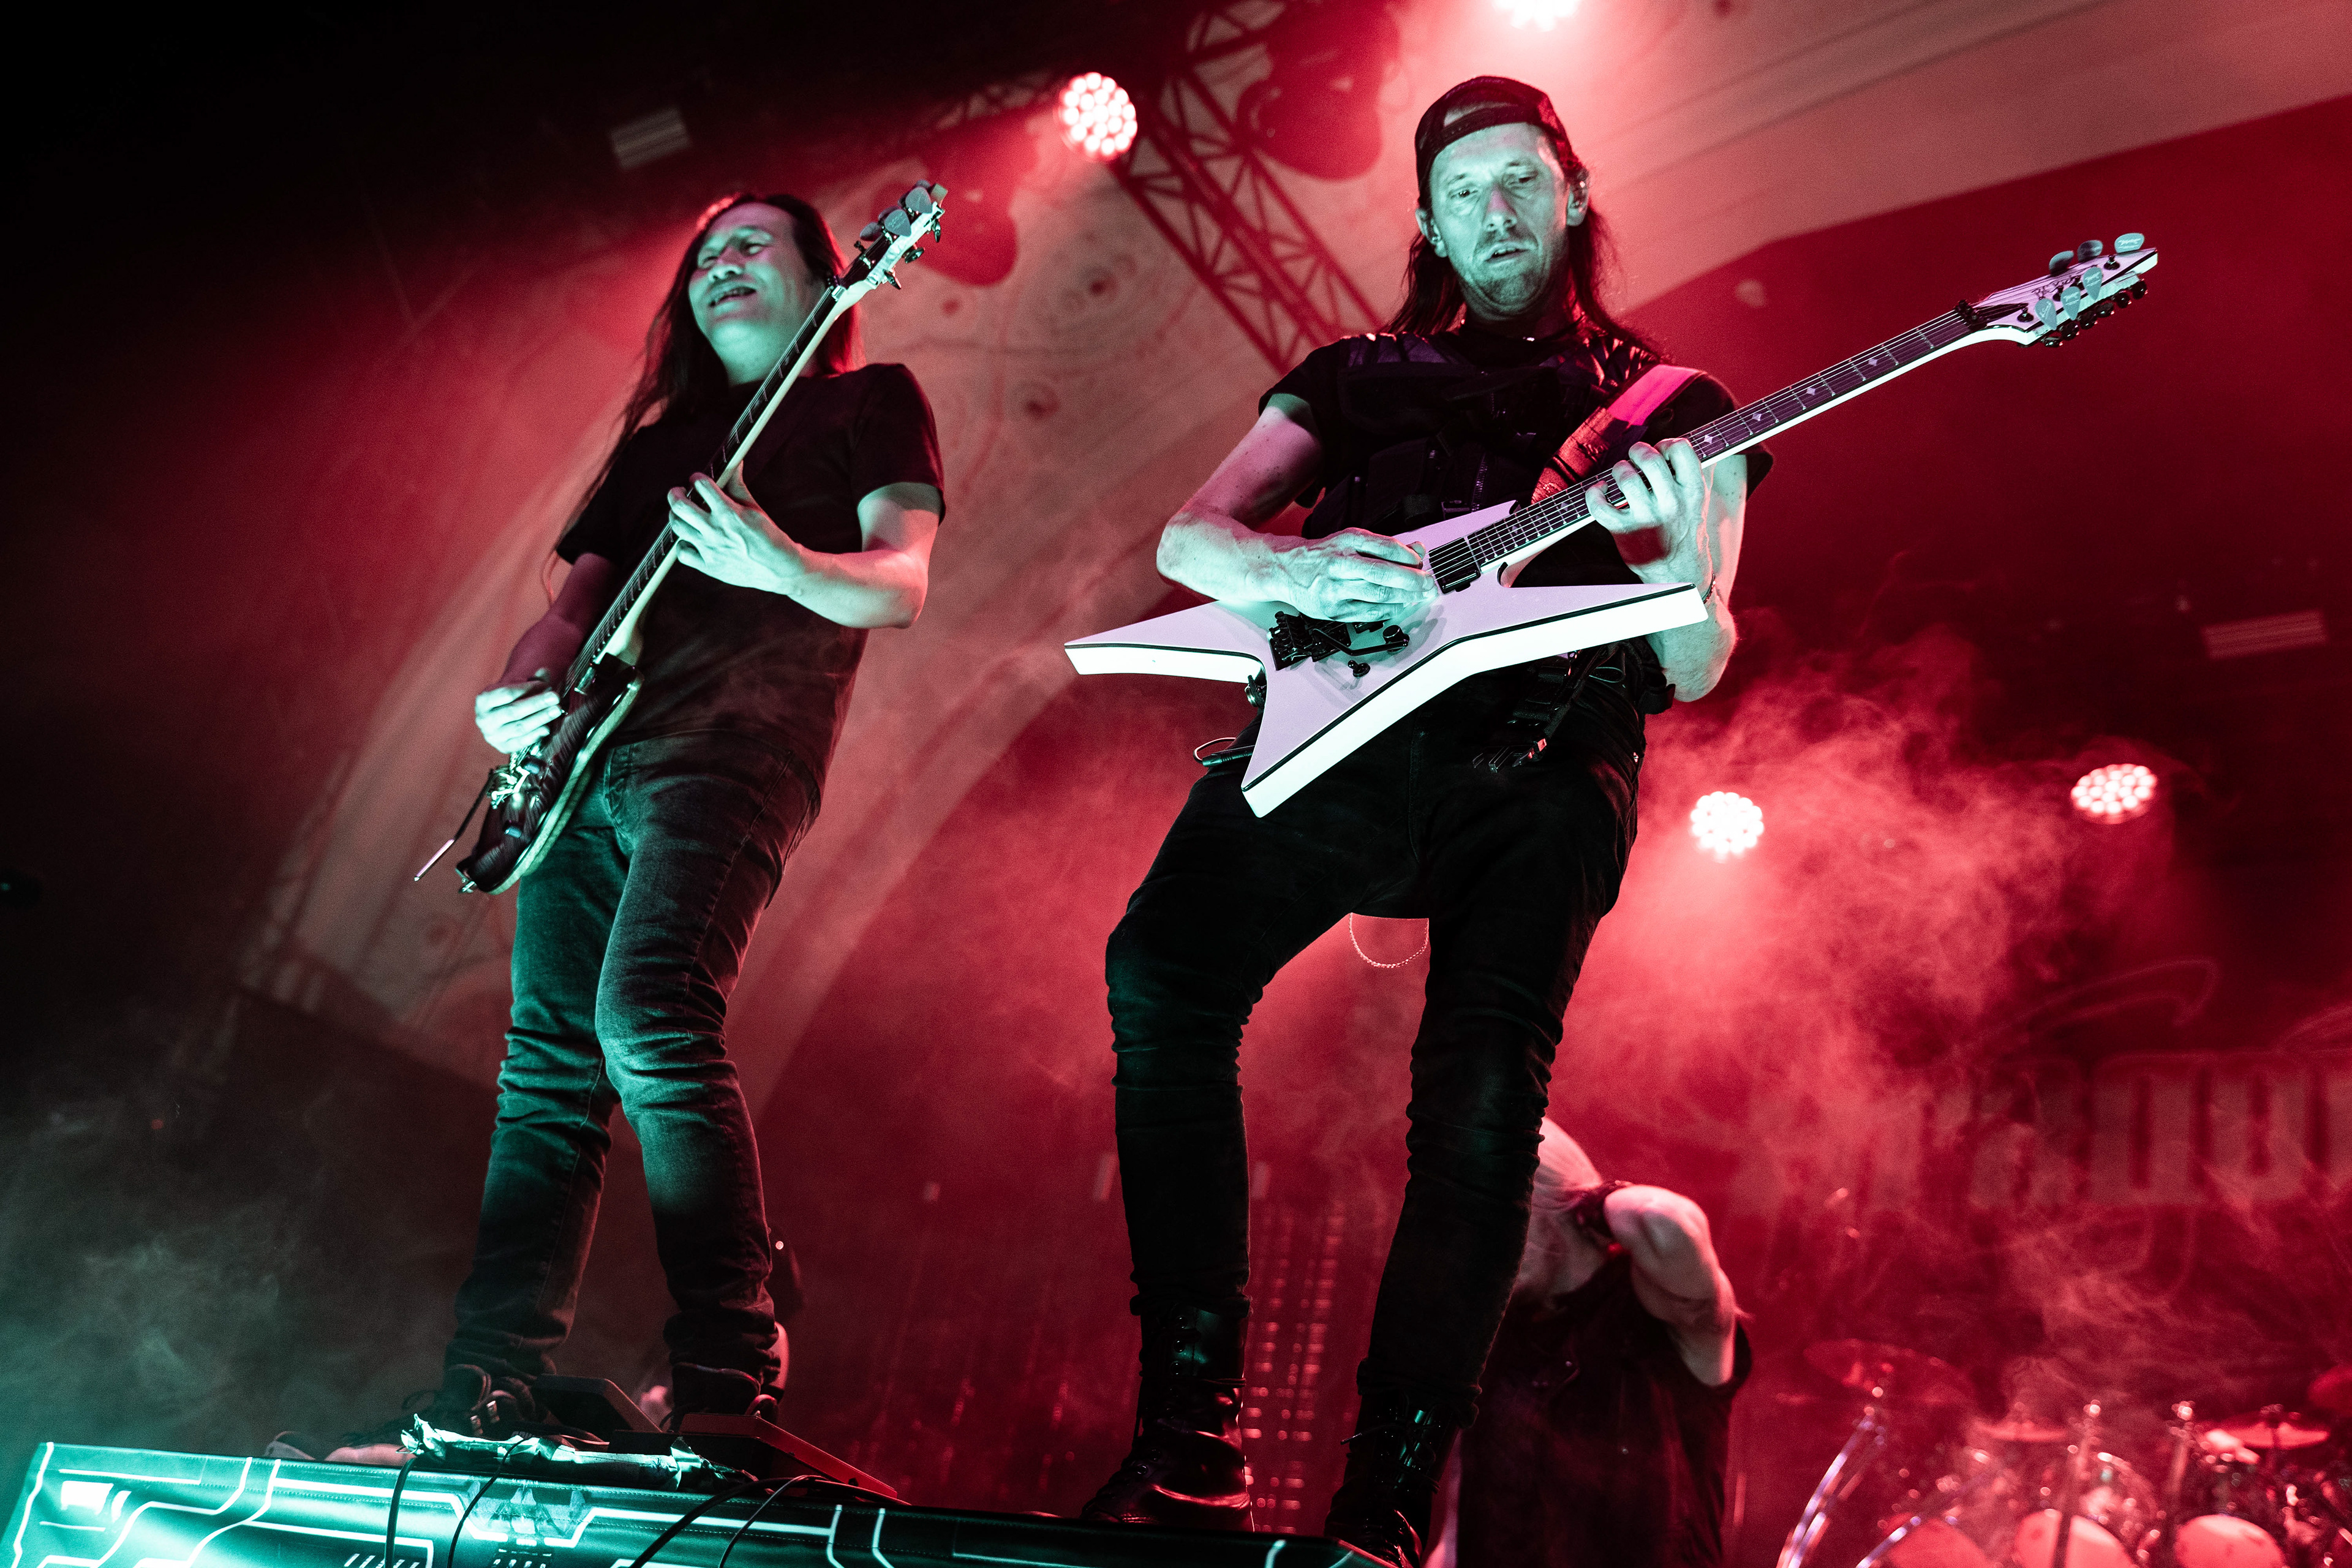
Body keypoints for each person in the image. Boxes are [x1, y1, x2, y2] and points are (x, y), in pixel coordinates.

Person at [1079, 77, 1769, 1566]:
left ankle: (1389, 1496)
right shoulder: (1351, 375)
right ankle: (1188, 1434)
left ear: (1572, 195)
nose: (1496, 211)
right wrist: (1300, 573)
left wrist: (1665, 555)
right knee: (1160, 970)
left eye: (1521, 181)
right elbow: (1192, 538)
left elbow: (1698, 659)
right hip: (1344, 728)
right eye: (1466, 193)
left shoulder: (1674, 401)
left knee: (1479, 1102)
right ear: (1427, 225)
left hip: (1551, 751)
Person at [319, 190, 946, 1459]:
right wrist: (516, 694)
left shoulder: (873, 402)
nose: (722, 264)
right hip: (585, 767)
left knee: (651, 1013)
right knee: (546, 1070)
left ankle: (728, 1367)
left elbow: (901, 583)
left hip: (735, 751)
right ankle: (484, 1382)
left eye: (753, 244)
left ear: (829, 276)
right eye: (705, 253)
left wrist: (781, 562)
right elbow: (572, 609)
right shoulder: (663, 442)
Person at [1427, 1120, 1747, 1568]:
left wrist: (1595, 1200)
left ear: (1548, 1203)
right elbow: (1458, 1534)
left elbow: (1670, 1223)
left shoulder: (1659, 1316)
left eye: (1483, 1217)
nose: (1466, 1248)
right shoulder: (1495, 1336)